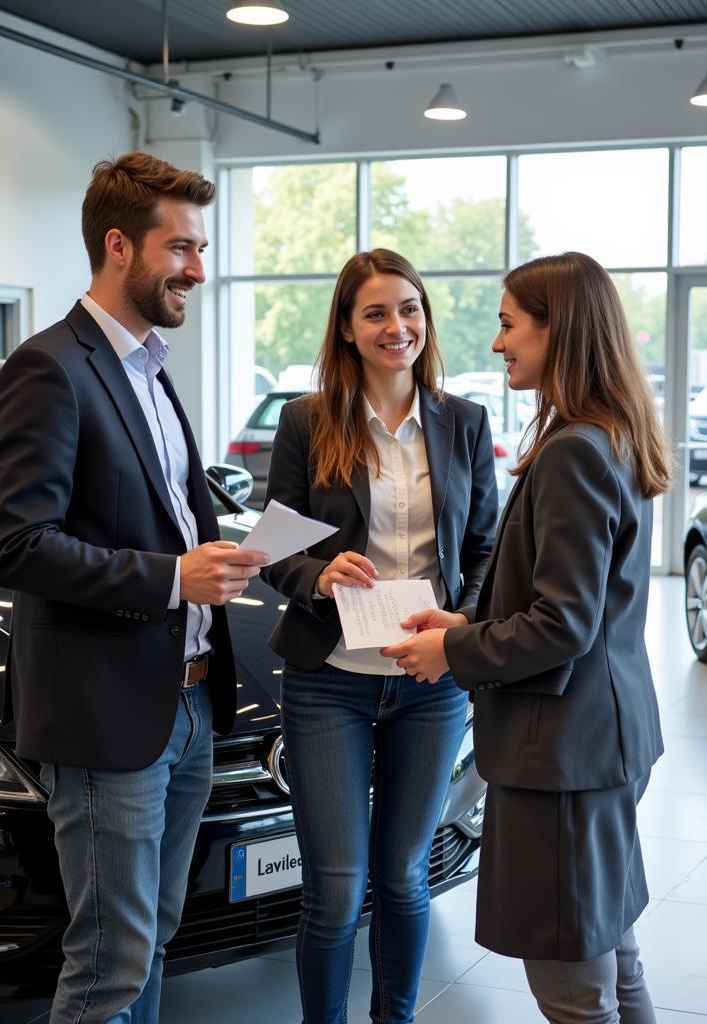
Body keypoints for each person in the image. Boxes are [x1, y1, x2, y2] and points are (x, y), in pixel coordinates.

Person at [0, 152, 268, 1024]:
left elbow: (166, 520)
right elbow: (20, 547)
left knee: (152, 937)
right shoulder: (50, 368)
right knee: (109, 961)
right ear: (118, 245)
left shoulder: (148, 368)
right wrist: (171, 577)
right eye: (180, 248)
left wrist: (215, 561)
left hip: (184, 705)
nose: (197, 269)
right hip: (107, 714)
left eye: (202, 247)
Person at [382, 251, 670, 1024]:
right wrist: (468, 625)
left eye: (510, 325)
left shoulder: (575, 448)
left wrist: (454, 652)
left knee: (575, 992)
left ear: (559, 332)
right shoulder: (609, 434)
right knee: (614, 954)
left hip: (565, 755)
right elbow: (577, 604)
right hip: (602, 738)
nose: (496, 343)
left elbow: (563, 623)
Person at [260, 248, 498, 1024]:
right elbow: (273, 547)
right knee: (334, 886)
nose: (398, 327)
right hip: (329, 676)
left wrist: (465, 617)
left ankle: (394, 1018)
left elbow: (488, 545)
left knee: (402, 875)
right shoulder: (306, 420)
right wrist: (319, 574)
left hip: (432, 681)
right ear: (348, 327)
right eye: (377, 313)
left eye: (409, 309)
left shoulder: (464, 421)